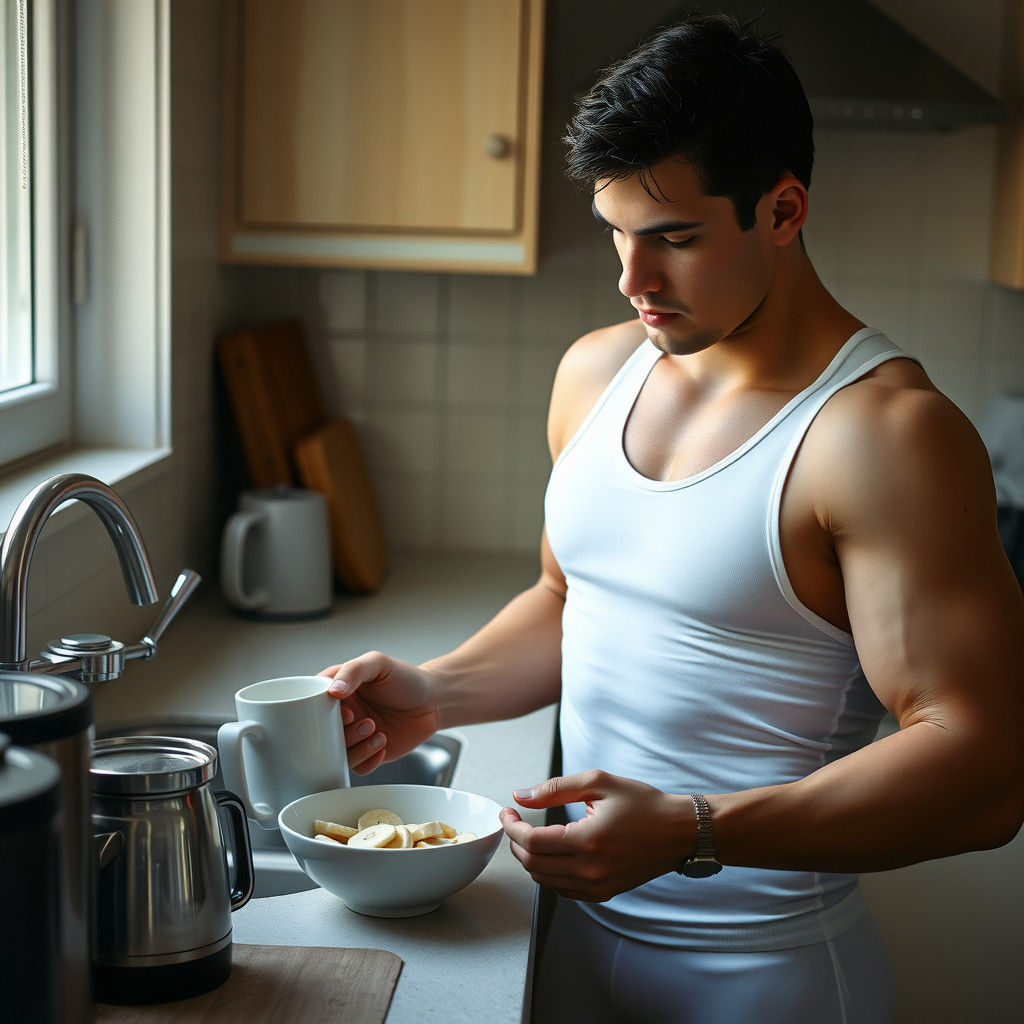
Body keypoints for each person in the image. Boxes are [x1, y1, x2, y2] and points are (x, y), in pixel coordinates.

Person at [318, 13, 1024, 1023]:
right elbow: (571, 599)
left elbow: (986, 771)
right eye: (616, 233)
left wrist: (695, 830)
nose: (631, 279)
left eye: (674, 239)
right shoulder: (595, 372)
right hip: (567, 949)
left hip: (763, 978)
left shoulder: (883, 437)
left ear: (782, 210)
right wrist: (436, 691)